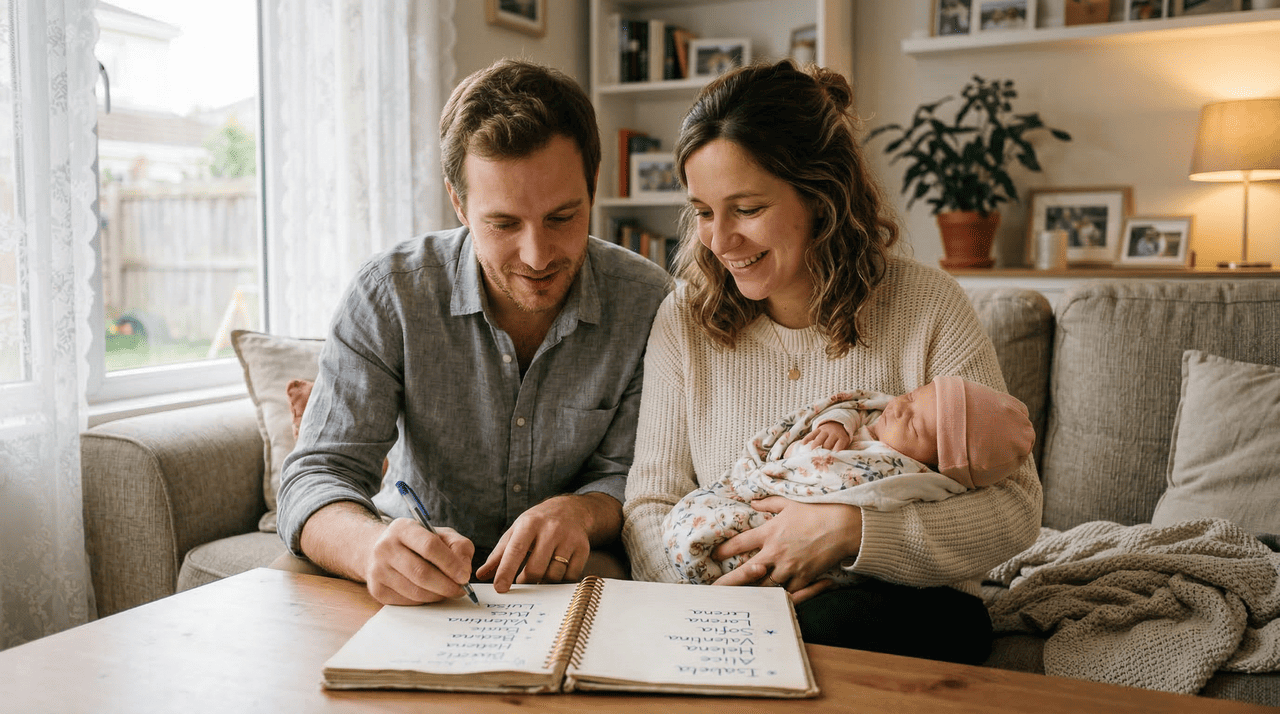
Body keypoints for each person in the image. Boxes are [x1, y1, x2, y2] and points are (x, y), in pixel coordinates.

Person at [621, 59, 1042, 665]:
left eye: (746, 208)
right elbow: (650, 503)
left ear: (821, 195)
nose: (719, 241)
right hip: (724, 615)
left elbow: (1015, 509)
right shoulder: (685, 321)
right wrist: (713, 598)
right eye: (704, 212)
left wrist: (849, 533)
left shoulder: (926, 306)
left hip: (893, 611)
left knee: (842, 628)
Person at [276, 58, 673, 606]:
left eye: (562, 217)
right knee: (289, 578)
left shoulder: (650, 302)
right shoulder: (389, 292)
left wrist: (579, 511)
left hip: (571, 562)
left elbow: (642, 476)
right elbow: (318, 472)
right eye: (504, 223)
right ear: (459, 204)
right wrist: (372, 549)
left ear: (594, 186)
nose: (537, 257)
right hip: (415, 566)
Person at [664, 377, 1035, 585]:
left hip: (825, 569)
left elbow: (1018, 510)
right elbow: (856, 405)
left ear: (937, 465)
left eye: (915, 425)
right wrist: (834, 422)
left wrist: (847, 527)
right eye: (909, 397)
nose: (899, 408)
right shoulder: (876, 415)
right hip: (744, 496)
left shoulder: (907, 474)